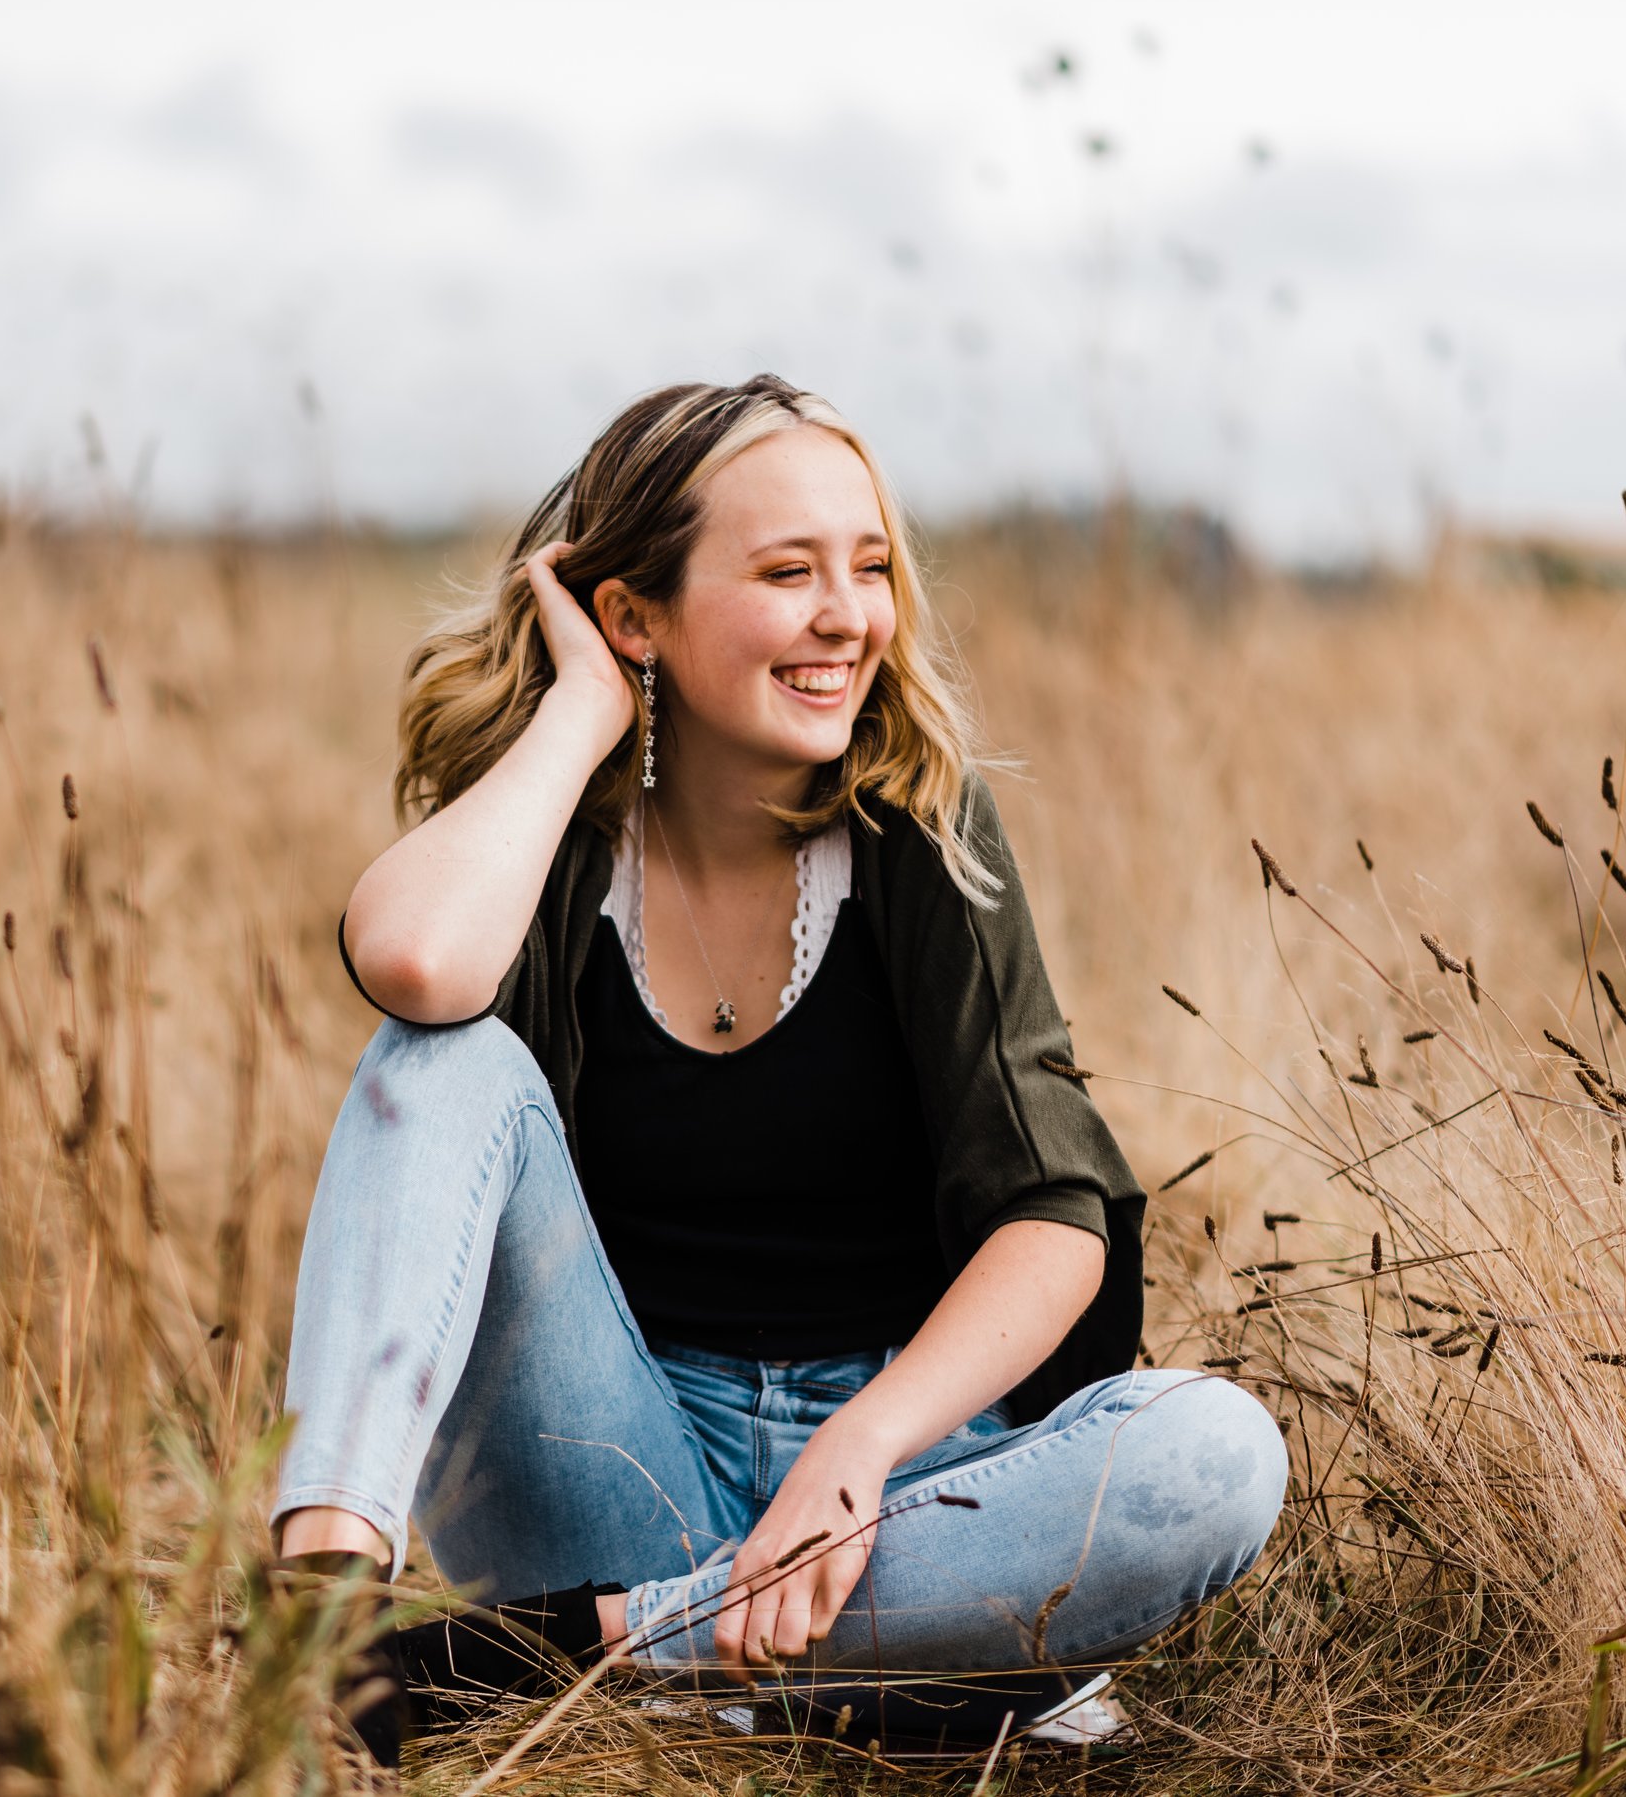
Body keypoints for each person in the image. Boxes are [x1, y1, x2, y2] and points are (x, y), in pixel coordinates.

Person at [266, 374, 1286, 1768]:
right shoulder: (555, 840)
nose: (848, 618)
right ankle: (324, 1625)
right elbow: (422, 974)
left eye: (868, 569)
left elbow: (1055, 1222)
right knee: (435, 1064)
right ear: (635, 615)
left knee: (1217, 1454)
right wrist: (580, 718)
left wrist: (854, 1455)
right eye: (788, 572)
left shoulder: (919, 830)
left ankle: (582, 1659)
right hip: (614, 1470)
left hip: (902, 1489)